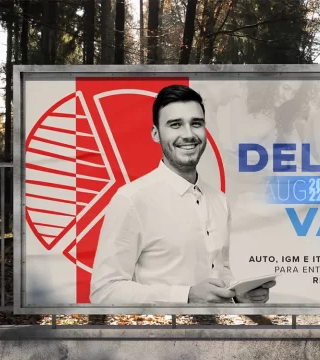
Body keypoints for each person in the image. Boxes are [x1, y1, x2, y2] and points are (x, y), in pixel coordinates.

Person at [89, 84, 275, 305]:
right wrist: (186, 296)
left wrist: (238, 294)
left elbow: (220, 273)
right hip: (163, 338)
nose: (188, 135)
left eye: (196, 124)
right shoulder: (132, 200)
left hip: (222, 337)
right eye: (175, 125)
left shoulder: (219, 200)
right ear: (156, 134)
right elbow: (104, 292)